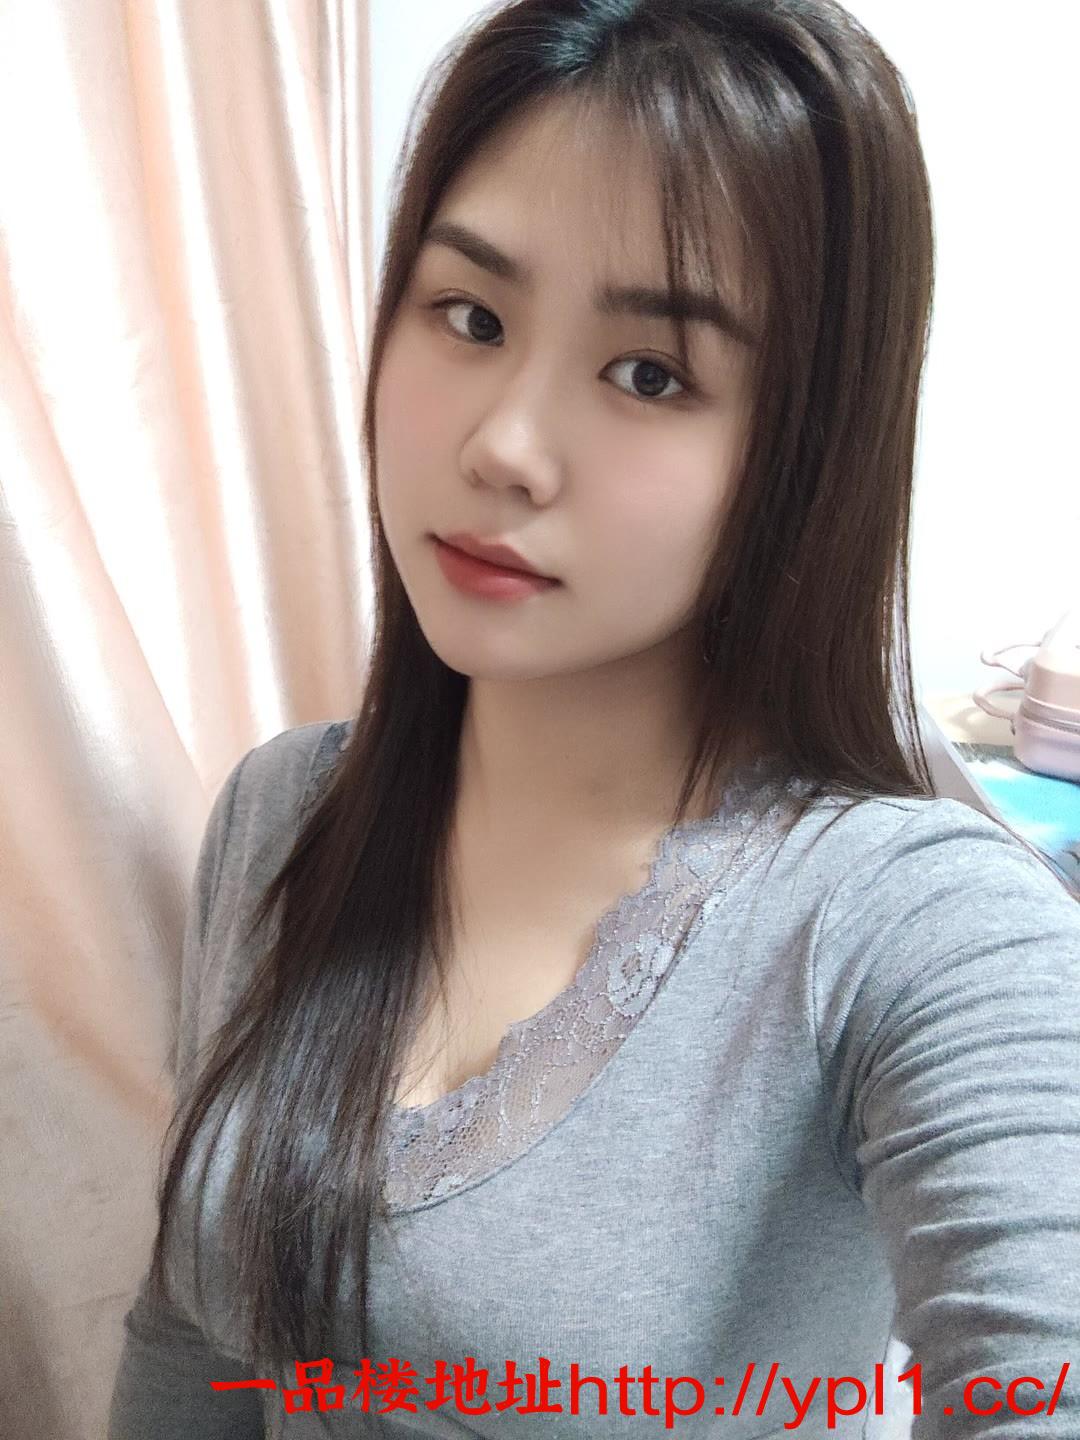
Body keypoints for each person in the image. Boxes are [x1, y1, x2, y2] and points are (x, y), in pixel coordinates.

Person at [108, 1, 1080, 1436]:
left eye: (650, 374)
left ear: (806, 453)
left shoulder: (914, 930)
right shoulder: (282, 815)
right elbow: (192, 1333)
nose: (503, 443)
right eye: (471, 316)